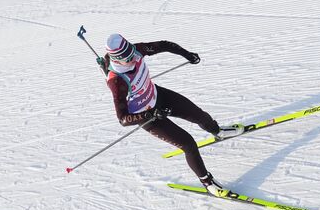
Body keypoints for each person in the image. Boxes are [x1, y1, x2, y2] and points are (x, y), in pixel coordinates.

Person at [97, 34, 242, 197]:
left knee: (198, 114)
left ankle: (218, 131)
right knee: (188, 144)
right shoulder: (117, 82)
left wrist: (187, 54)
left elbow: (164, 45)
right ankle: (208, 183)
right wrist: (151, 114)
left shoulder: (137, 50)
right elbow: (123, 119)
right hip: (147, 117)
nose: (133, 59)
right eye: (127, 58)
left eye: (132, 53)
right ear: (117, 61)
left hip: (159, 95)